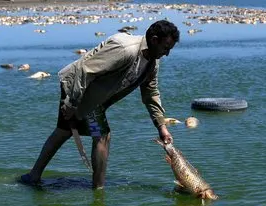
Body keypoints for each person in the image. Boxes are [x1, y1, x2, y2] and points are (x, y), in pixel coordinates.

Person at [19, 20, 180, 189]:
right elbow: (84, 69)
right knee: (102, 135)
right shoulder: (125, 49)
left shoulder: (152, 61)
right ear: (154, 40)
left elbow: (150, 93)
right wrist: (72, 102)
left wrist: (161, 126)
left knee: (64, 131)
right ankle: (98, 189)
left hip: (94, 94)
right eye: (166, 48)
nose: (167, 54)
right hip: (79, 88)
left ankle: (33, 176)